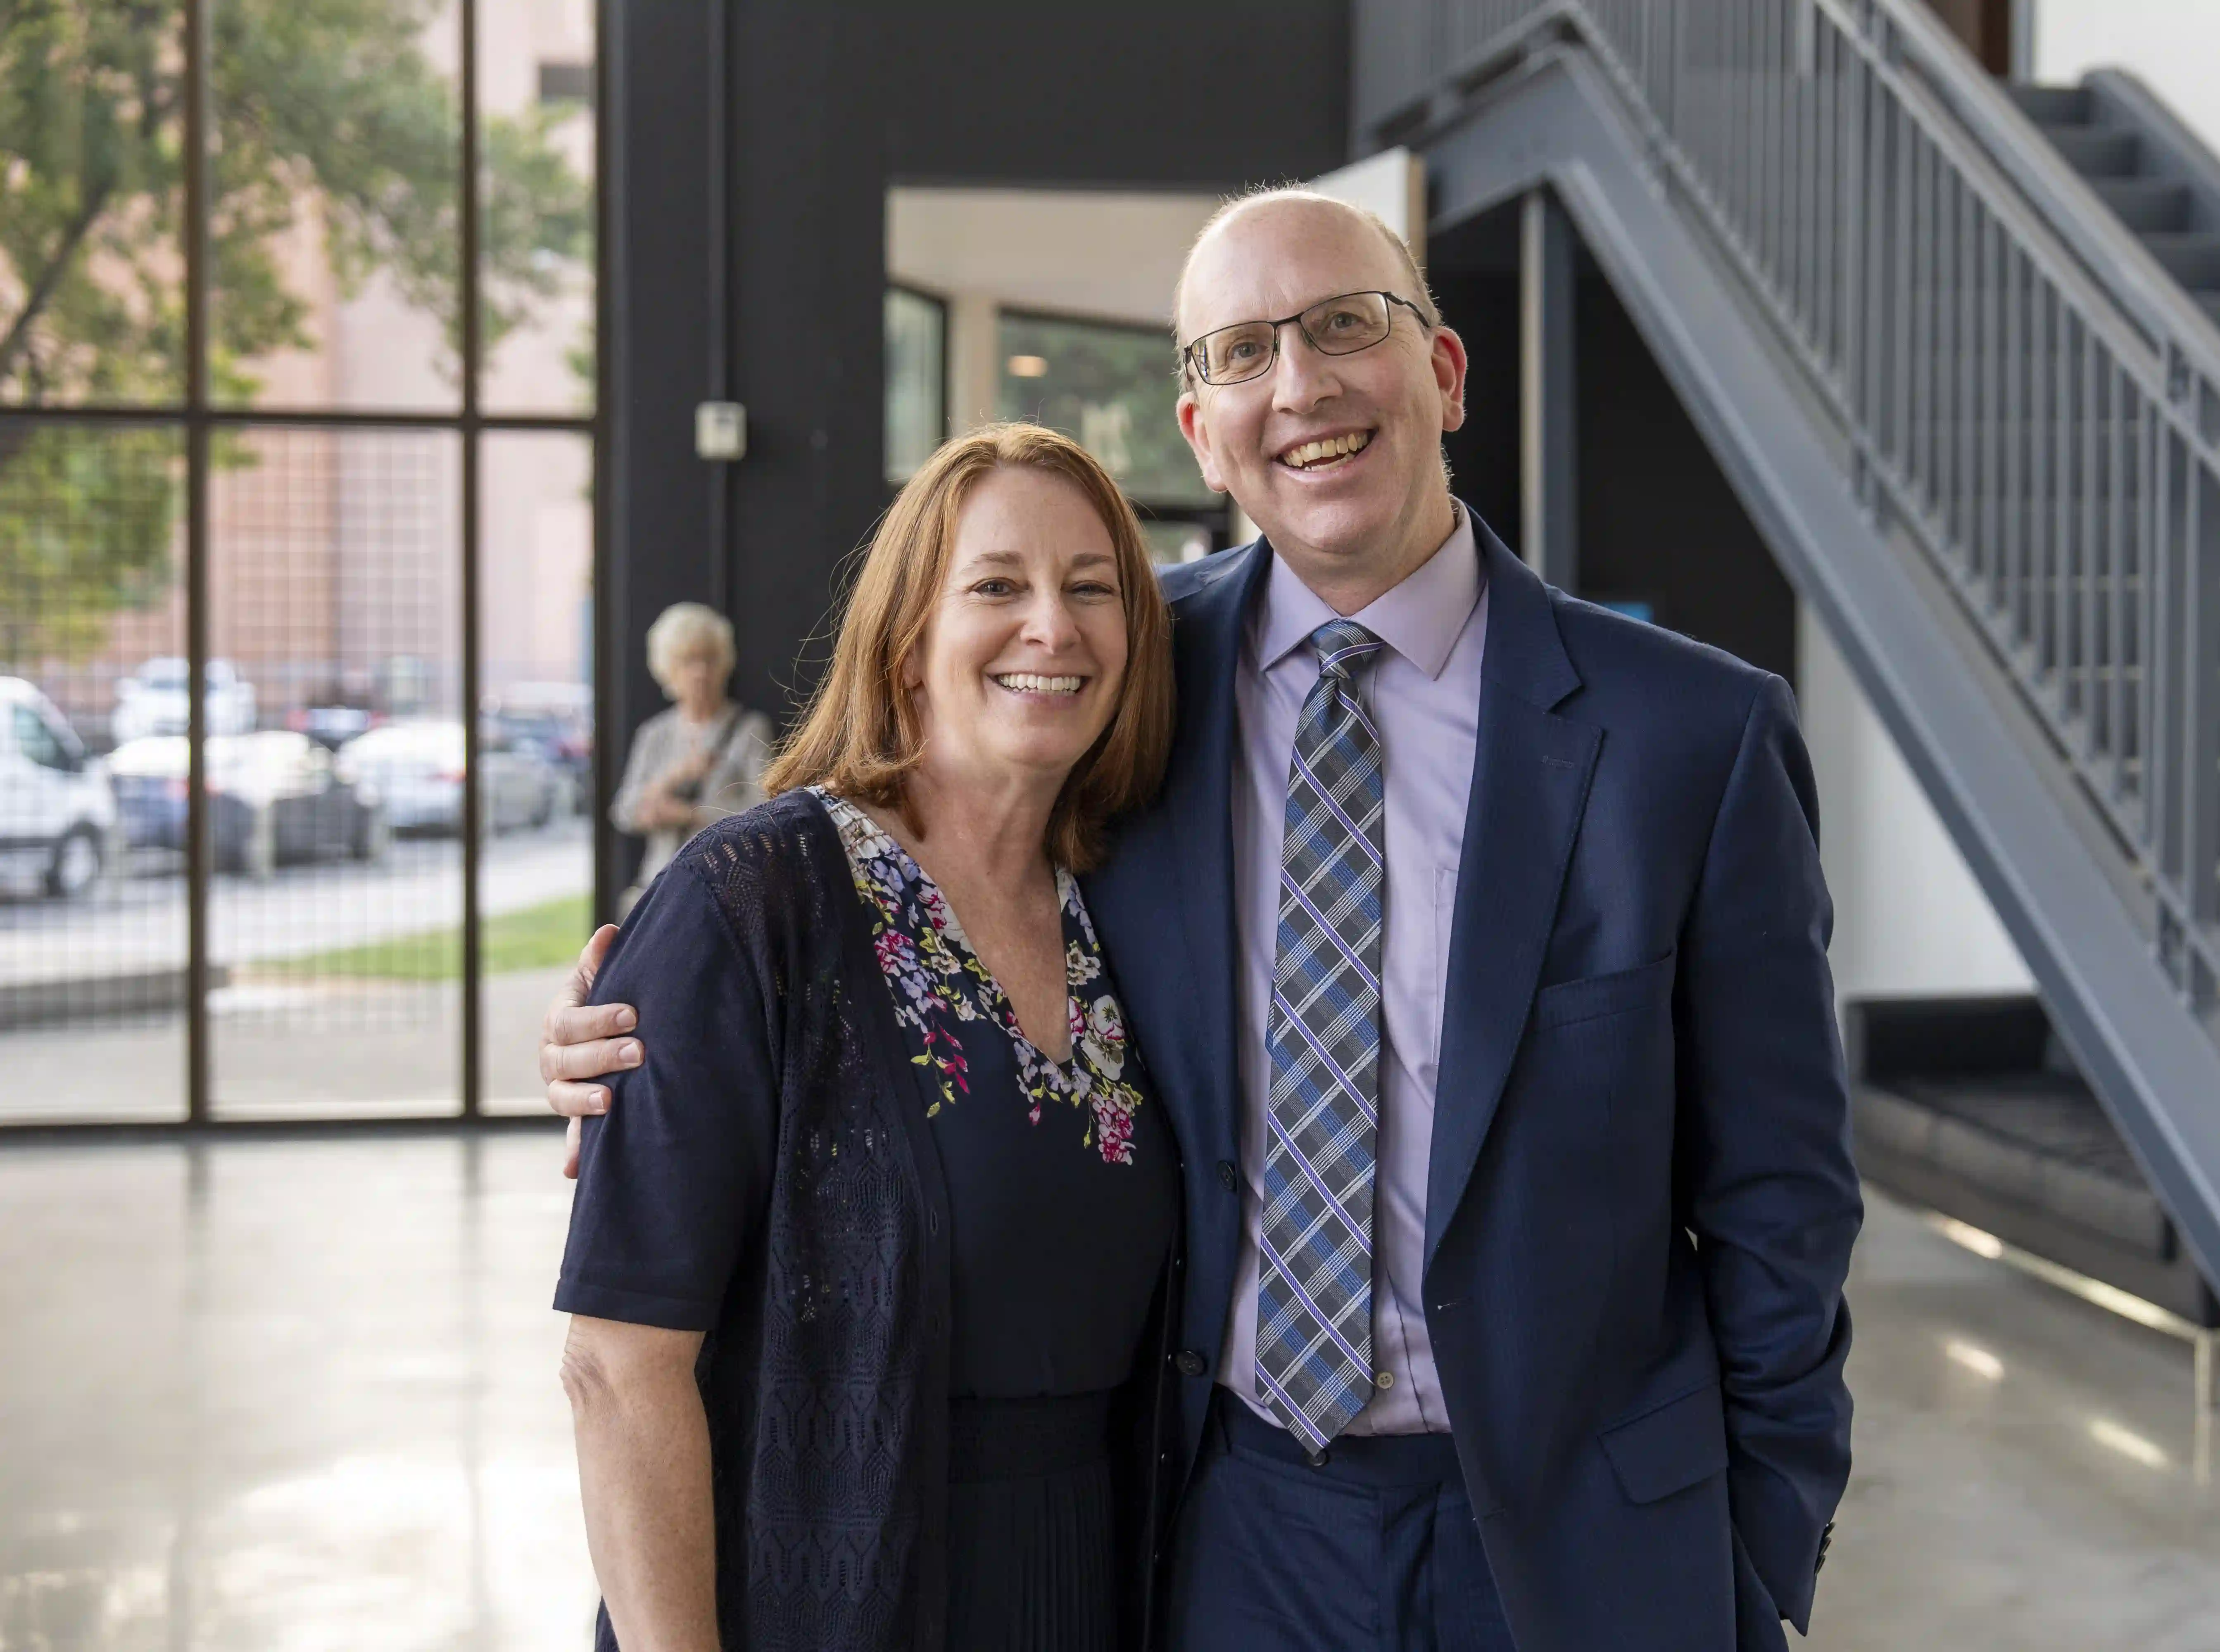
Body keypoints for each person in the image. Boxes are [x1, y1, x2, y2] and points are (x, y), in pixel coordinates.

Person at [545, 189, 1859, 1651]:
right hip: (1231, 1532)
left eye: (1345, 324)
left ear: (1442, 373)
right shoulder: (1118, 679)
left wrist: (1757, 1552)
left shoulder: (1689, 736)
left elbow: (1782, 1196)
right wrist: (655, 1010)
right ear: (1200, 432)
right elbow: (906, 869)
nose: (1299, 385)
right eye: (1241, 352)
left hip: (1587, 1548)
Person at [554, 424, 1181, 1651]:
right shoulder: (753, 903)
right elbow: (618, 1368)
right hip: (826, 1598)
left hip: (1092, 1586)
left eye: (1090, 587)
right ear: (905, 643)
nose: (1051, 626)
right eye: (995, 585)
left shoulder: (1126, 904)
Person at [608, 600, 773, 895]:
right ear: (668, 669)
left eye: (709, 659)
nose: (700, 672)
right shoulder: (655, 734)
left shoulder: (750, 729)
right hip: (661, 887)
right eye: (688, 661)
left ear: (725, 662)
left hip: (723, 888)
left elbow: (765, 816)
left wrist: (689, 814)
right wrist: (674, 777)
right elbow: (624, 812)